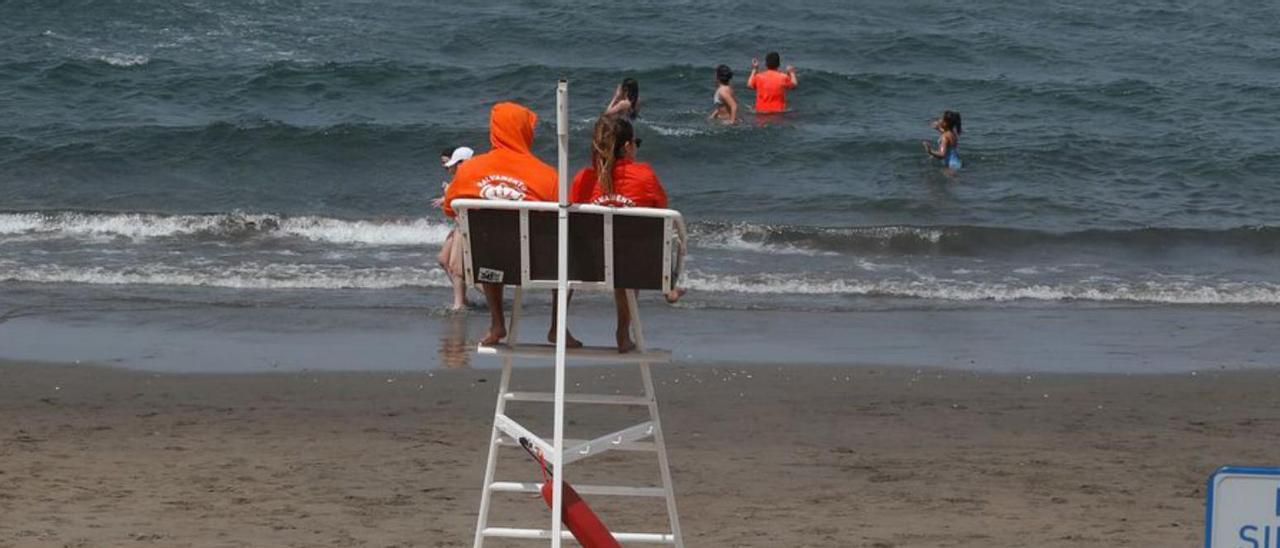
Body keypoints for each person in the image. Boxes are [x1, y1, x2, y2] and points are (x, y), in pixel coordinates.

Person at [443, 102, 558, 345]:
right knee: (564, 252)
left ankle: (497, 322)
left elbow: (449, 209)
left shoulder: (469, 170)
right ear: (525, 132)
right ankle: (558, 326)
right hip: (539, 266)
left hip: (490, 266)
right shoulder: (548, 175)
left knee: (490, 246)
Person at [568, 115, 683, 352]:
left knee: (589, 245)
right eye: (635, 143)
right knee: (631, 248)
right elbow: (662, 210)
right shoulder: (644, 175)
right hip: (634, 268)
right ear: (628, 146)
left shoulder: (584, 179)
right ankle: (623, 330)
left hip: (588, 266)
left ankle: (558, 326)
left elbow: (571, 220)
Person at [433, 146, 475, 311]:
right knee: (443, 260)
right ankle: (464, 299)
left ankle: (460, 304)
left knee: (456, 266)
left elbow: (456, 208)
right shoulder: (458, 179)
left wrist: (447, 196)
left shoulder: (466, 178)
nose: (446, 167)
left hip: (465, 224)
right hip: (460, 223)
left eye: (448, 163)